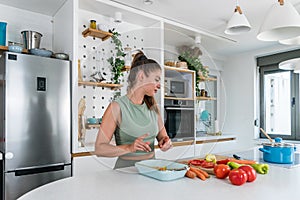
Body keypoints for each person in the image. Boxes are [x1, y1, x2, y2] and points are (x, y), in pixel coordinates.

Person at [94, 51, 172, 169]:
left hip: (152, 171)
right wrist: (129, 148)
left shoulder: (153, 107)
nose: (159, 85)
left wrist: (166, 143)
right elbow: (100, 149)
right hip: (126, 172)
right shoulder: (117, 107)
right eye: (156, 79)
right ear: (141, 76)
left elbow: (163, 138)